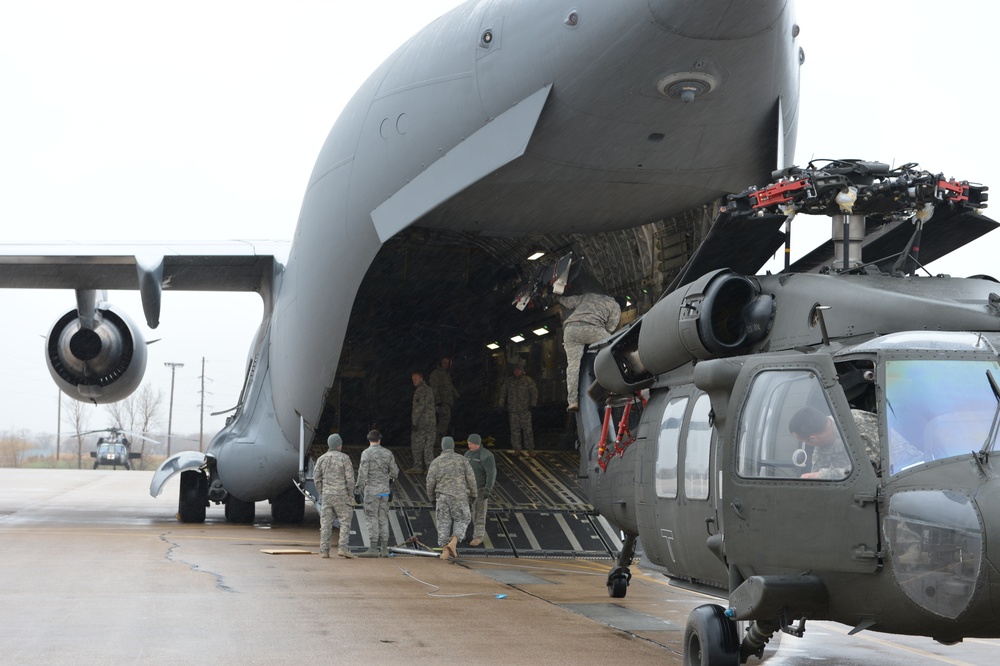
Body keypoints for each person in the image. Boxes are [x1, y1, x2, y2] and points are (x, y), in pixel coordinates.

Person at [560, 292, 621, 411]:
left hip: (571, 330)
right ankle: (615, 389)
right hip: (592, 329)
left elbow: (569, 302)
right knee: (613, 347)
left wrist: (557, 297)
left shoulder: (590, 296)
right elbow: (611, 327)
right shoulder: (615, 305)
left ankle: (572, 402)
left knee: (572, 367)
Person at [425, 436, 477, 560]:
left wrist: (431, 498)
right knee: (462, 519)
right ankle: (453, 542)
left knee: (443, 523)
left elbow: (430, 482)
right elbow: (471, 479)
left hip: (442, 497)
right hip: (460, 497)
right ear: (453, 446)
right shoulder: (462, 460)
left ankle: (445, 551)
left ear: (442, 447)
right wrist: (474, 494)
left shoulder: (436, 461)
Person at [355, 429, 399, 557]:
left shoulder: (366, 454)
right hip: (384, 492)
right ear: (379, 439)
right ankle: (384, 549)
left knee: (372, 518)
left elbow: (362, 474)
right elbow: (395, 472)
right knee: (383, 518)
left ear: (369, 440)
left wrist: (358, 490)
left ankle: (373, 548)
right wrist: (388, 481)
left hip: (372, 492)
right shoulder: (388, 453)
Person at [313, 433, 355, 559]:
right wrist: (350, 493)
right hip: (341, 494)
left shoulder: (321, 459)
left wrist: (322, 491)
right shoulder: (345, 458)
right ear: (338, 445)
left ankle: (324, 550)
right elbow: (350, 479)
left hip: (327, 495)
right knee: (345, 522)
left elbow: (316, 478)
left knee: (326, 523)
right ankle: (343, 548)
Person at [788, 406, 853, 480]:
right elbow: (816, 480)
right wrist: (814, 476)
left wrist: (823, 475)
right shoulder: (820, 454)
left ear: (814, 438)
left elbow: (864, 470)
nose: (807, 444)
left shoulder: (854, 423)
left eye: (804, 441)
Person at [499, 364, 538, 456]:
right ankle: (517, 448)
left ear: (522, 371)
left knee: (527, 430)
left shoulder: (528, 381)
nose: (516, 372)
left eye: (518, 370)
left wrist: (533, 404)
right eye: (515, 370)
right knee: (514, 430)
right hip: (513, 411)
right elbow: (503, 392)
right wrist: (501, 404)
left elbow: (534, 393)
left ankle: (530, 448)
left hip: (525, 410)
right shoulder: (509, 381)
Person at [464, 433, 496, 547]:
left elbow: (491, 473)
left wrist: (488, 488)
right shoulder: (468, 454)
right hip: (467, 490)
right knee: (464, 513)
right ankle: (460, 534)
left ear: (477, 443)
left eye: (471, 444)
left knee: (479, 514)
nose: (469, 446)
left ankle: (478, 537)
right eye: (468, 444)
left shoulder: (486, 456)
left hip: (480, 489)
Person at [407, 370, 437, 473]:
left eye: (415, 379)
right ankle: (430, 467)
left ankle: (418, 466)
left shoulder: (420, 391)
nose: (414, 381)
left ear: (421, 379)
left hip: (421, 423)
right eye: (412, 379)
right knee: (428, 445)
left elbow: (418, 408)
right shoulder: (429, 389)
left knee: (416, 444)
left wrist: (414, 422)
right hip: (431, 423)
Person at [429, 356, 459, 440]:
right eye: (444, 363)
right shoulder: (436, 374)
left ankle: (439, 440)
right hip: (441, 403)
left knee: (445, 422)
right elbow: (434, 388)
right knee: (444, 421)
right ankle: (435, 439)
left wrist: (457, 396)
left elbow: (451, 387)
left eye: (447, 363)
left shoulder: (446, 374)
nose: (446, 365)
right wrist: (438, 401)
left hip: (447, 402)